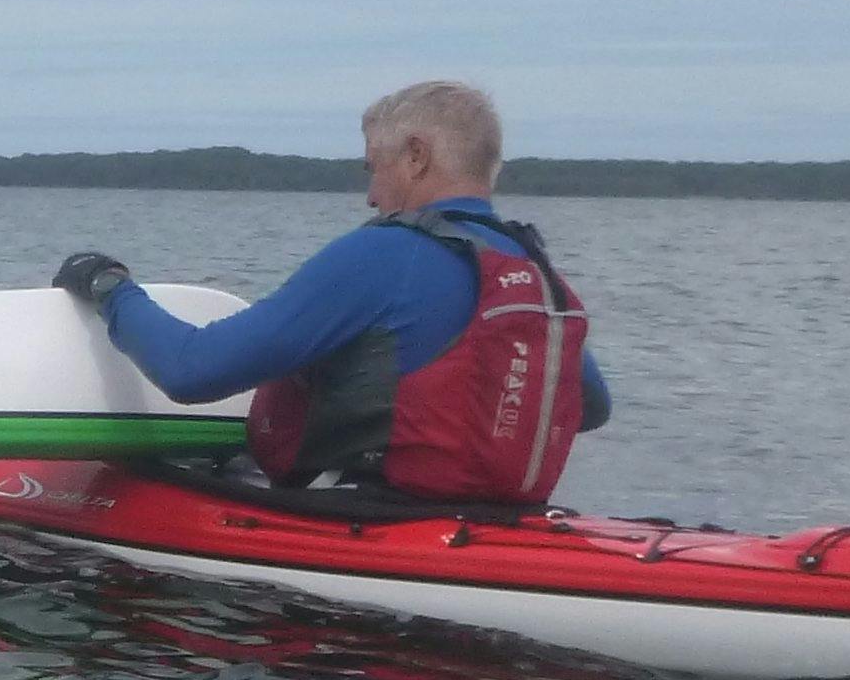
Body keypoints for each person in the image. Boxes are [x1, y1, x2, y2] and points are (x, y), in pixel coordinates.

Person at [51, 79, 610, 508]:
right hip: (493, 522)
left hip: (367, 514)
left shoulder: (385, 253)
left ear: (416, 156)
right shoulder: (532, 267)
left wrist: (111, 288)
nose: (371, 196)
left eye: (375, 169)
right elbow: (590, 407)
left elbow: (191, 370)